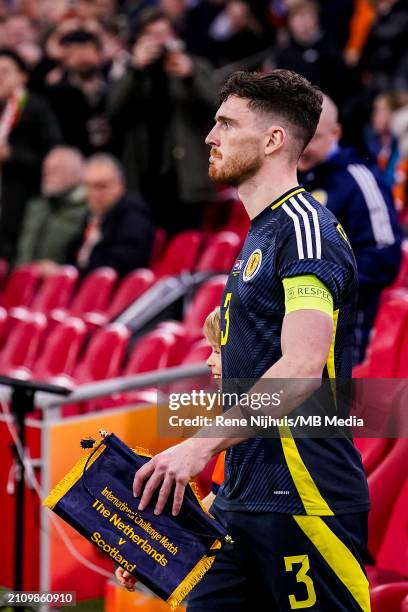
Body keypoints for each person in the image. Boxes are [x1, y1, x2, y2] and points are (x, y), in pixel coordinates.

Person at [123, 70, 371, 611]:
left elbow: (302, 367)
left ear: (274, 140)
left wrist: (197, 445)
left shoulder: (307, 231)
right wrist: (209, 501)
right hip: (242, 502)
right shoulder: (259, 233)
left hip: (304, 503)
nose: (210, 137)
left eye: (226, 123)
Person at [299, 94, 402, 363]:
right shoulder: (292, 180)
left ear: (336, 132)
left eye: (315, 137)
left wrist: (321, 289)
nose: (304, 147)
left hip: (345, 327)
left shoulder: (359, 179)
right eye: (299, 137)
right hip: (296, 326)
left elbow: (383, 256)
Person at [108, 8, 218, 234]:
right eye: (152, 35)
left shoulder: (195, 66)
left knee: (184, 241)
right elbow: (113, 111)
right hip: (142, 178)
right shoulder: (131, 72)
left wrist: (191, 77)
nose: (159, 42)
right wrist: (134, 71)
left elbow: (219, 108)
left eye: (164, 34)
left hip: (184, 179)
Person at [0, 48, 61, 262]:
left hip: (23, 198)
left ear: (22, 76)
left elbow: (53, 154)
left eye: (6, 71)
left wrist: (13, 155)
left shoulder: (37, 108)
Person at [66, 153, 155, 277]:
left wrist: (80, 271)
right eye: (89, 186)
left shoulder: (134, 218)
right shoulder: (92, 217)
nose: (94, 194)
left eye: (101, 186)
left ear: (120, 187)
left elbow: (122, 265)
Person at [15, 146, 87, 271]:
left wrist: (62, 269)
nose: (46, 175)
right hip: (24, 279)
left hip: (63, 281)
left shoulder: (87, 208)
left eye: (55, 170)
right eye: (45, 169)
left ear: (75, 173)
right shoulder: (37, 206)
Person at [45, 29, 113, 155]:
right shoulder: (56, 93)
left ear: (99, 54)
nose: (82, 57)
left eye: (87, 50)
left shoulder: (113, 85)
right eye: (75, 52)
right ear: (64, 58)